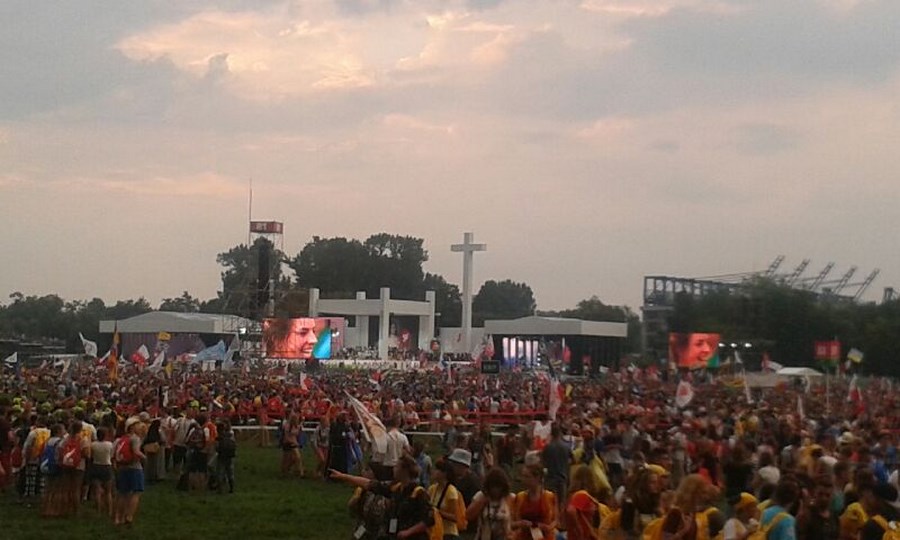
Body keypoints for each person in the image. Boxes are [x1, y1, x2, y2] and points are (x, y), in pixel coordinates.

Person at [331, 455, 433, 540]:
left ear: (405, 470)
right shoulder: (396, 489)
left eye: (397, 466)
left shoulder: (419, 493)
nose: (393, 468)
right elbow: (369, 484)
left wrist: (408, 532)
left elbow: (429, 520)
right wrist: (344, 476)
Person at [511, 464, 557, 540]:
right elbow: (511, 523)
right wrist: (521, 523)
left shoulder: (550, 496)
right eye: (523, 476)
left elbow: (556, 520)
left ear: (537, 478)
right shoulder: (520, 497)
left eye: (527, 477)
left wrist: (548, 527)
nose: (523, 479)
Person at [114, 416, 146, 526]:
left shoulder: (119, 439)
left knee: (123, 493)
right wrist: (144, 457)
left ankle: (118, 518)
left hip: (123, 468)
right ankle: (129, 516)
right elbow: (136, 452)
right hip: (135, 468)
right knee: (136, 492)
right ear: (132, 427)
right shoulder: (135, 438)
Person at [466, 467, 514, 540]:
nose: (495, 490)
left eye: (498, 487)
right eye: (493, 487)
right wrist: (482, 502)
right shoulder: (480, 496)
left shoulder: (510, 498)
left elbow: (514, 521)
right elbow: (468, 516)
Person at [429, 458, 466, 540]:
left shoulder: (451, 491)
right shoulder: (432, 489)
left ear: (444, 473)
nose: (434, 472)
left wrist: (438, 512)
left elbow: (455, 517)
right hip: (436, 532)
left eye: (437, 470)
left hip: (449, 533)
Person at [542, 424, 573, 516]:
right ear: (559, 434)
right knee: (561, 501)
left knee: (549, 500)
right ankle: (560, 519)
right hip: (563, 476)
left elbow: (543, 461)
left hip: (551, 476)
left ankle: (551, 517)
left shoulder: (548, 447)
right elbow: (572, 460)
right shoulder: (566, 446)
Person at [89, 426, 114, 517]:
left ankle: (99, 510)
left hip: (96, 466)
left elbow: (91, 456)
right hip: (106, 466)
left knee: (97, 490)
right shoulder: (109, 444)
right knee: (108, 491)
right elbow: (112, 456)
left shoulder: (93, 445)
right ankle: (109, 511)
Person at [281, 413, 305, 479]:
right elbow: (286, 436)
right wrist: (292, 441)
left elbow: (297, 435)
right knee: (286, 459)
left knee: (298, 457)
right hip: (287, 443)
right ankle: (285, 469)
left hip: (294, 443)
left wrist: (298, 442)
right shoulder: (288, 426)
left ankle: (301, 473)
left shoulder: (298, 426)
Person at [216, 420, 236, 494]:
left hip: (221, 456)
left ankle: (220, 490)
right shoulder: (231, 435)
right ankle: (231, 488)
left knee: (220, 472)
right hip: (230, 456)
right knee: (230, 473)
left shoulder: (219, 436)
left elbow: (217, 447)